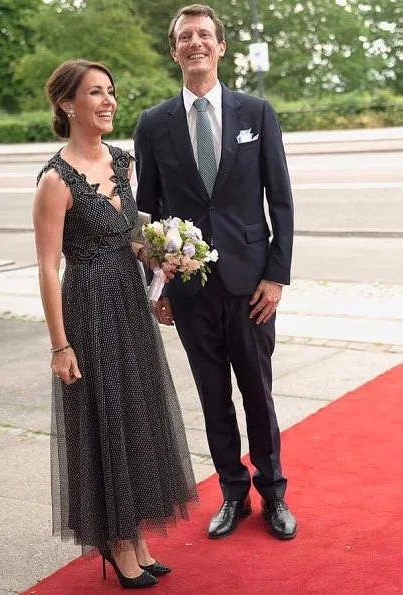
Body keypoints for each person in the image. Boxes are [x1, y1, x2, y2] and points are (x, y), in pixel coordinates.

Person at [33, 59, 198, 589]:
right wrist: (60, 346)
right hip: (87, 313)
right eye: (96, 93)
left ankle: (138, 538)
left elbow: (125, 237)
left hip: (129, 306)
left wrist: (163, 257)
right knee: (105, 423)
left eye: (111, 92)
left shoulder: (124, 163)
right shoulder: (57, 180)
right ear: (67, 104)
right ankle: (119, 544)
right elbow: (47, 267)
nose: (108, 102)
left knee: (137, 418)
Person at [134, 4, 297, 541]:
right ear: (174, 49)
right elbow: (148, 211)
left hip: (252, 286)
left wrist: (276, 277)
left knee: (258, 392)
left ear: (221, 47)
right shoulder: (153, 124)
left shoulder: (257, 112)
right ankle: (232, 494)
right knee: (212, 396)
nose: (196, 43)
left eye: (205, 34)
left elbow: (283, 203)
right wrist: (156, 286)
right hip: (190, 289)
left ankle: (273, 493)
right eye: (186, 37)